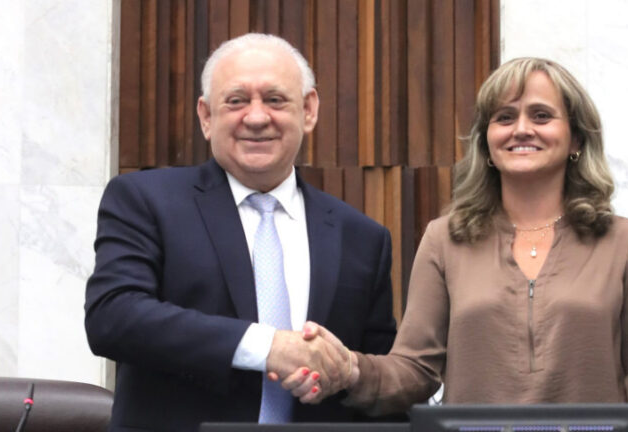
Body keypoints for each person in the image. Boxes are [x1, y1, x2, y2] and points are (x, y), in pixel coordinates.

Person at [288, 57, 628, 432]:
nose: (521, 129)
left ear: (576, 137)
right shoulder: (445, 240)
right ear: (487, 142)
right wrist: (350, 369)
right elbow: (415, 371)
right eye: (504, 117)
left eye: (541, 115)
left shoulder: (623, 242)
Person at [84, 33, 397, 431]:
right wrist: (266, 347)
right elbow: (113, 317)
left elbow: (381, 375)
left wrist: (345, 373)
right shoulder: (145, 200)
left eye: (275, 99)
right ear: (206, 116)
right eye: (236, 101)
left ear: (309, 109)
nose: (256, 117)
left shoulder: (362, 237)